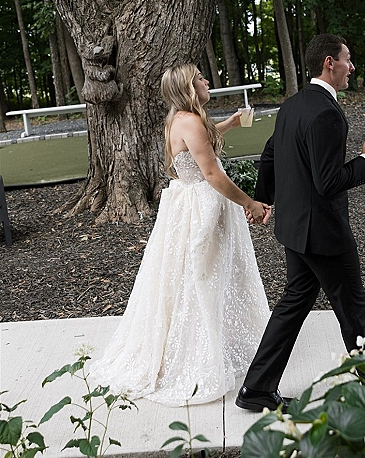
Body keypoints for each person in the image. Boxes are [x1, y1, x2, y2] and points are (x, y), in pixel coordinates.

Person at [90, 63, 271, 406]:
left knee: (200, 276)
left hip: (188, 201)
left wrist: (229, 123)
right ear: (189, 87)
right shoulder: (190, 120)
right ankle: (198, 352)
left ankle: (215, 339)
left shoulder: (182, 118)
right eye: (200, 77)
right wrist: (251, 203)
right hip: (201, 206)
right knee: (202, 277)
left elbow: (198, 145)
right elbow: (212, 174)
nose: (206, 80)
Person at [236, 34, 365, 413]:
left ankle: (256, 388)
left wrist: (263, 199)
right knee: (353, 307)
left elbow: (270, 153)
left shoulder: (293, 105)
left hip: (295, 229)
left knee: (293, 305)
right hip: (324, 233)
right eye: (347, 59)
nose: (351, 67)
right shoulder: (327, 113)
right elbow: (328, 182)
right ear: (328, 63)